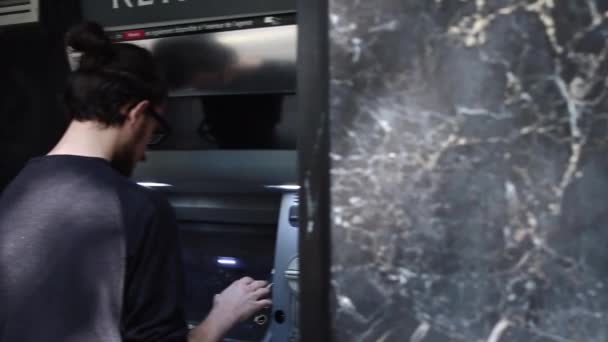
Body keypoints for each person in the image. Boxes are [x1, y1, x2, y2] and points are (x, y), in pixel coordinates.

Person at [0, 22, 271, 342]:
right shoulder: (137, 207)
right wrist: (223, 315)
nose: (144, 155)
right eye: (154, 132)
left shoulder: (15, 191)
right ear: (136, 113)